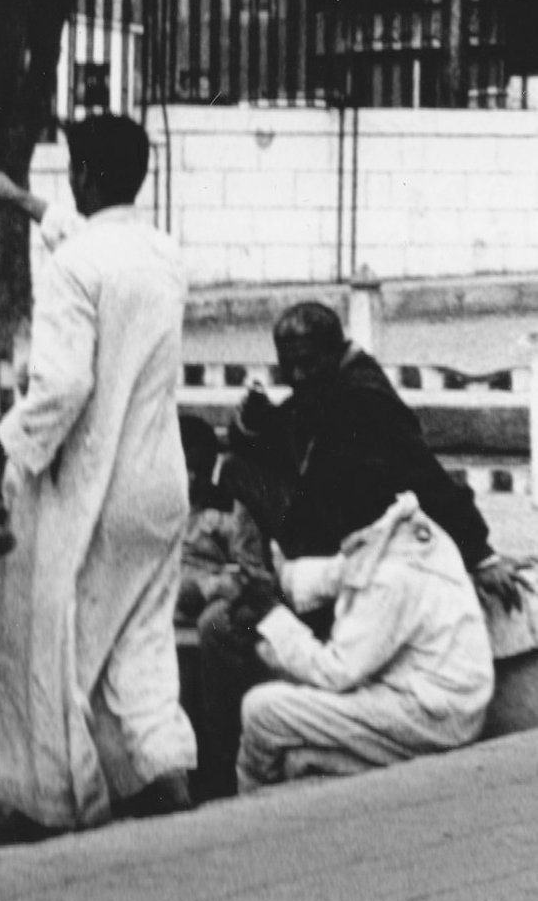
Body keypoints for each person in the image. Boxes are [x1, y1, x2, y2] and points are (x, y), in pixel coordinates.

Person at [0, 114, 198, 830]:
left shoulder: (73, 268)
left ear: (82, 174)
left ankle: (66, 806)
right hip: (159, 492)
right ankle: (172, 795)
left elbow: (60, 388)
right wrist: (25, 202)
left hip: (96, 497)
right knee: (142, 653)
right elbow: (93, 244)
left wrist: (1, 447)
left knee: (60, 656)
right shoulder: (163, 254)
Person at [196, 301, 522, 798]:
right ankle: (239, 771)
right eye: (291, 365)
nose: (299, 375)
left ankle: (237, 795)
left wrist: (481, 553)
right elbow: (336, 567)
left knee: (258, 696)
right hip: (341, 600)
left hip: (423, 708)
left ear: (336, 350)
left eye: (308, 362)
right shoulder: (370, 530)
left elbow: (424, 472)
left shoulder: (366, 404)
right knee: (223, 626)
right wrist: (253, 427)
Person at [232, 493, 494, 791]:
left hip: (428, 717)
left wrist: (271, 615)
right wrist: (280, 580)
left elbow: (336, 671)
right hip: (448, 703)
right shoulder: (409, 531)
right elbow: (344, 570)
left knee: (261, 710)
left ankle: (249, 801)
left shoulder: (390, 576)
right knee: (295, 745)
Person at [176, 415, 265, 628]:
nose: (194, 478)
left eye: (201, 468)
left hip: (203, 605)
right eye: (186, 468)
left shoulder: (228, 514)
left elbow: (252, 575)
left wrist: (208, 587)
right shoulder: (152, 511)